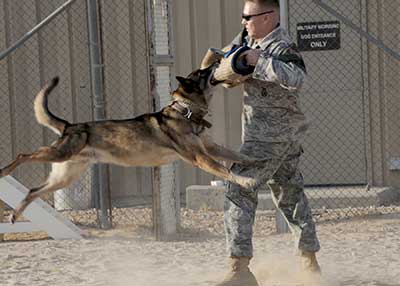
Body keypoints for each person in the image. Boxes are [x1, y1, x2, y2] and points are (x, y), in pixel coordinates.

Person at [203, 1, 321, 285]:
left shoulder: (282, 47)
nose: (243, 22)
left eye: (248, 17)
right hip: (273, 133)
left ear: (269, 17)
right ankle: (309, 263)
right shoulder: (247, 38)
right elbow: (227, 62)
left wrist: (259, 61)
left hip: (273, 135)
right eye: (243, 17)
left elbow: (297, 78)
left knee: (238, 188)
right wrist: (218, 68)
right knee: (290, 195)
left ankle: (239, 269)